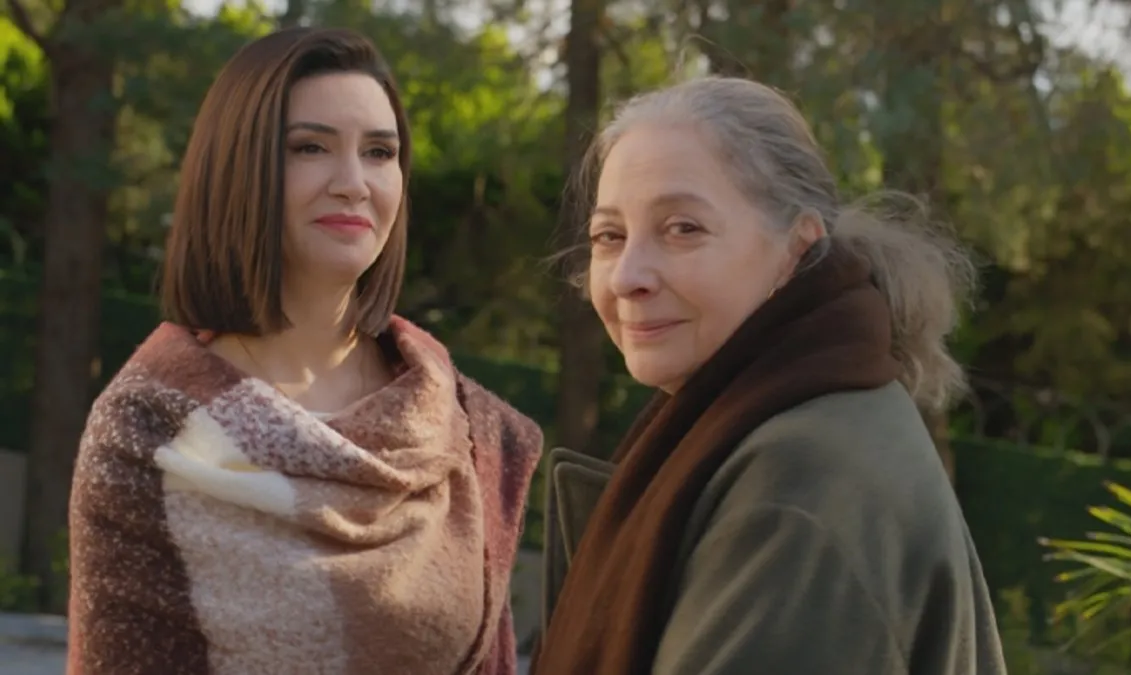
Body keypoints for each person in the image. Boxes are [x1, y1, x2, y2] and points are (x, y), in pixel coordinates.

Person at [67, 27, 542, 675]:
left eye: (379, 152)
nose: (353, 183)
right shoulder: (148, 431)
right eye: (310, 147)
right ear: (238, 169)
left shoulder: (467, 431)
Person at [533, 76, 1008, 675]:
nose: (628, 276)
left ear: (797, 250)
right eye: (610, 236)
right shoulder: (767, 423)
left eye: (683, 229)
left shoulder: (802, 484)